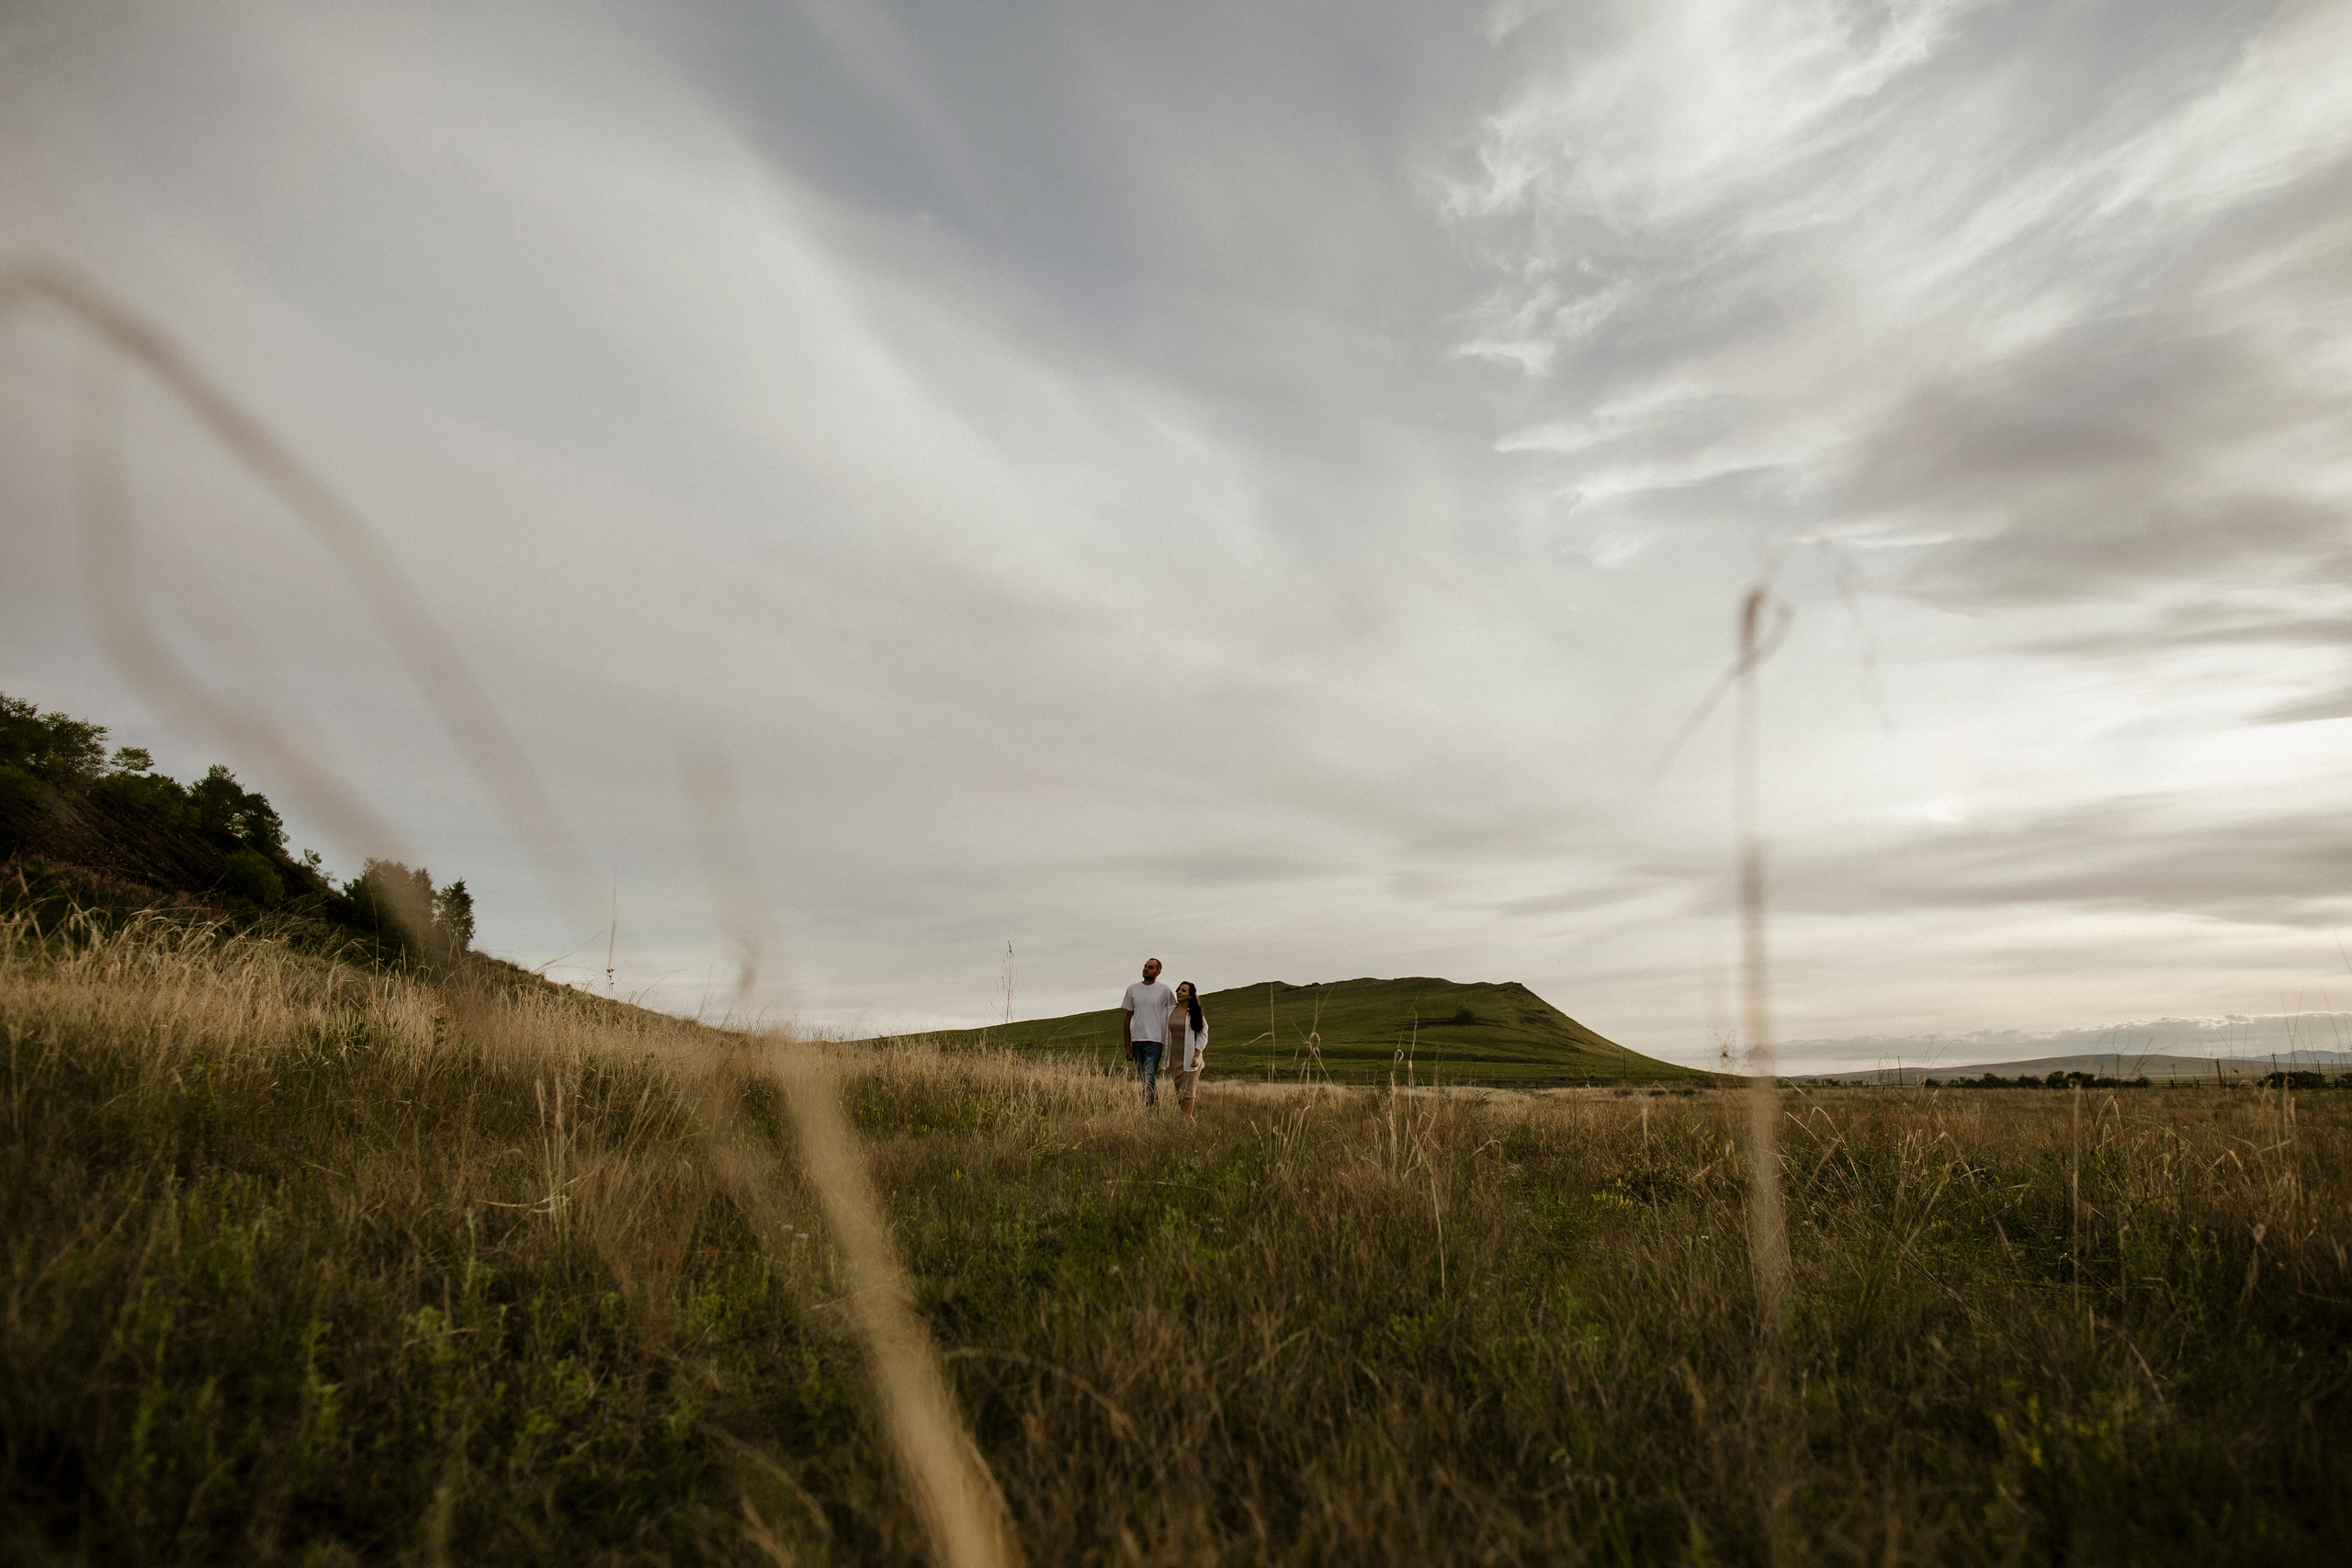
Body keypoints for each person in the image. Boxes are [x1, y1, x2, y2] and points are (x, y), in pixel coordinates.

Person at [1121, 957, 1175, 1112]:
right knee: (1145, 1078)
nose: (1146, 969)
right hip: (1137, 1040)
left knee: (1148, 1075)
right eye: (1145, 966)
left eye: (1150, 967)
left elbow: (1174, 1012)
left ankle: (1148, 1111)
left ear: (1158, 972)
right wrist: (1127, 1045)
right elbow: (1127, 1017)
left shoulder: (1165, 990)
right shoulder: (1133, 989)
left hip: (1155, 1040)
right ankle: (1156, 1107)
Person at [1170, 980, 1207, 1121]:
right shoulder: (1169, 1010)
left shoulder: (1195, 1014)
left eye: (1184, 990)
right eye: (1179, 989)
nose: (1179, 992)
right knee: (1180, 1091)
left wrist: (1197, 1055)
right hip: (1175, 1057)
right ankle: (1188, 1120)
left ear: (1191, 996)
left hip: (1191, 1057)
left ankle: (1187, 1121)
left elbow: (1203, 1035)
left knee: (1189, 1090)